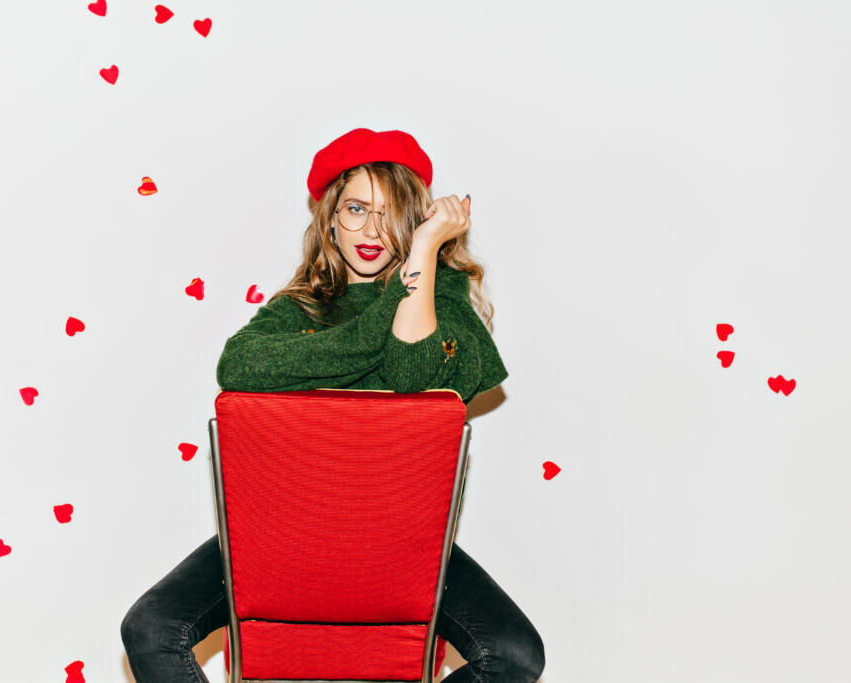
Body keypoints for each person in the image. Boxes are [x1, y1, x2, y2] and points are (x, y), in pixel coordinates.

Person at [121, 128, 546, 682]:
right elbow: (239, 367)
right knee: (151, 627)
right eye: (355, 208)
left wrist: (421, 255)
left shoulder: (442, 299)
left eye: (391, 214)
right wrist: (392, 302)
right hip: (286, 529)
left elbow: (412, 377)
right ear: (329, 219)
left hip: (399, 540)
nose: (371, 230)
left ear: (415, 224)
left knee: (513, 652)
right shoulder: (300, 307)